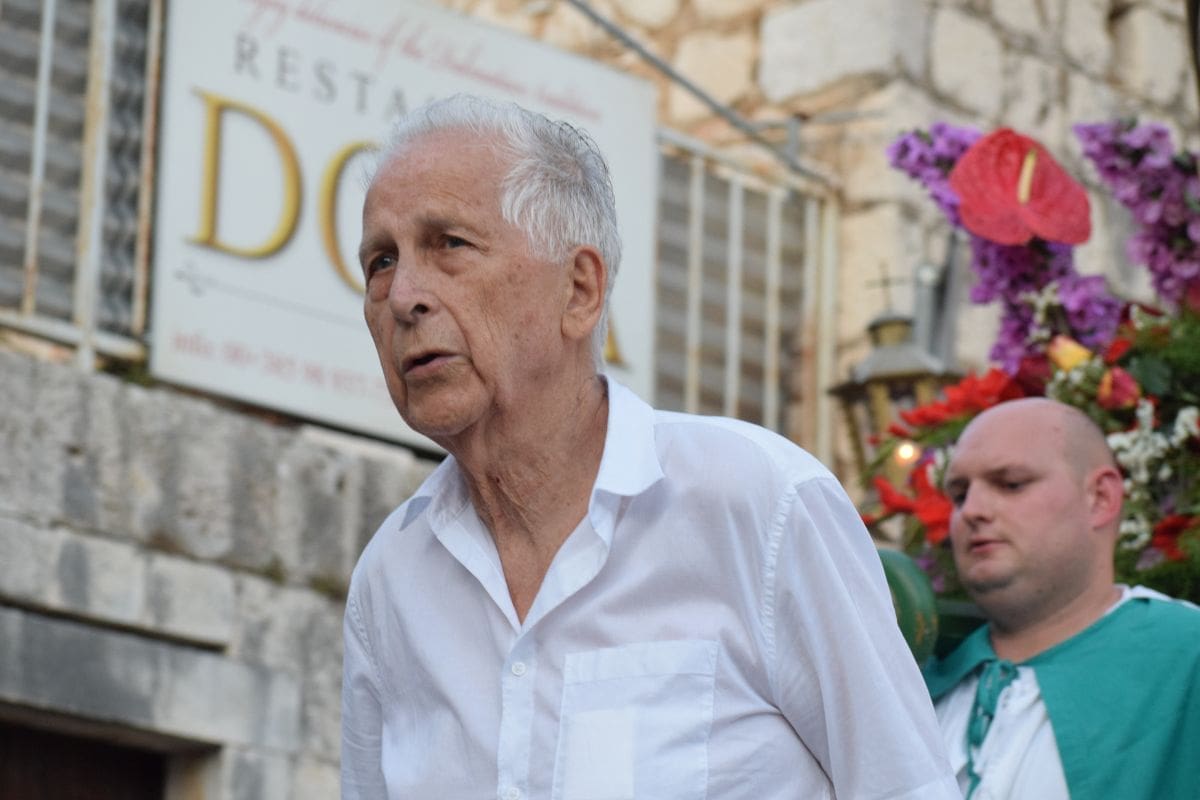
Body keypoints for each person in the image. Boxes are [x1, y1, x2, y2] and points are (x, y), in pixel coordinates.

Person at [341, 93, 957, 799]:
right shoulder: (391, 578)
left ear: (579, 290)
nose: (403, 297)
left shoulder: (760, 505)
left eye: (449, 244)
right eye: (380, 261)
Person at [927, 397, 1200, 799]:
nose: (972, 510)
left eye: (1011, 483)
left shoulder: (1187, 658)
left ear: (1100, 497)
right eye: (959, 494)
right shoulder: (917, 679)